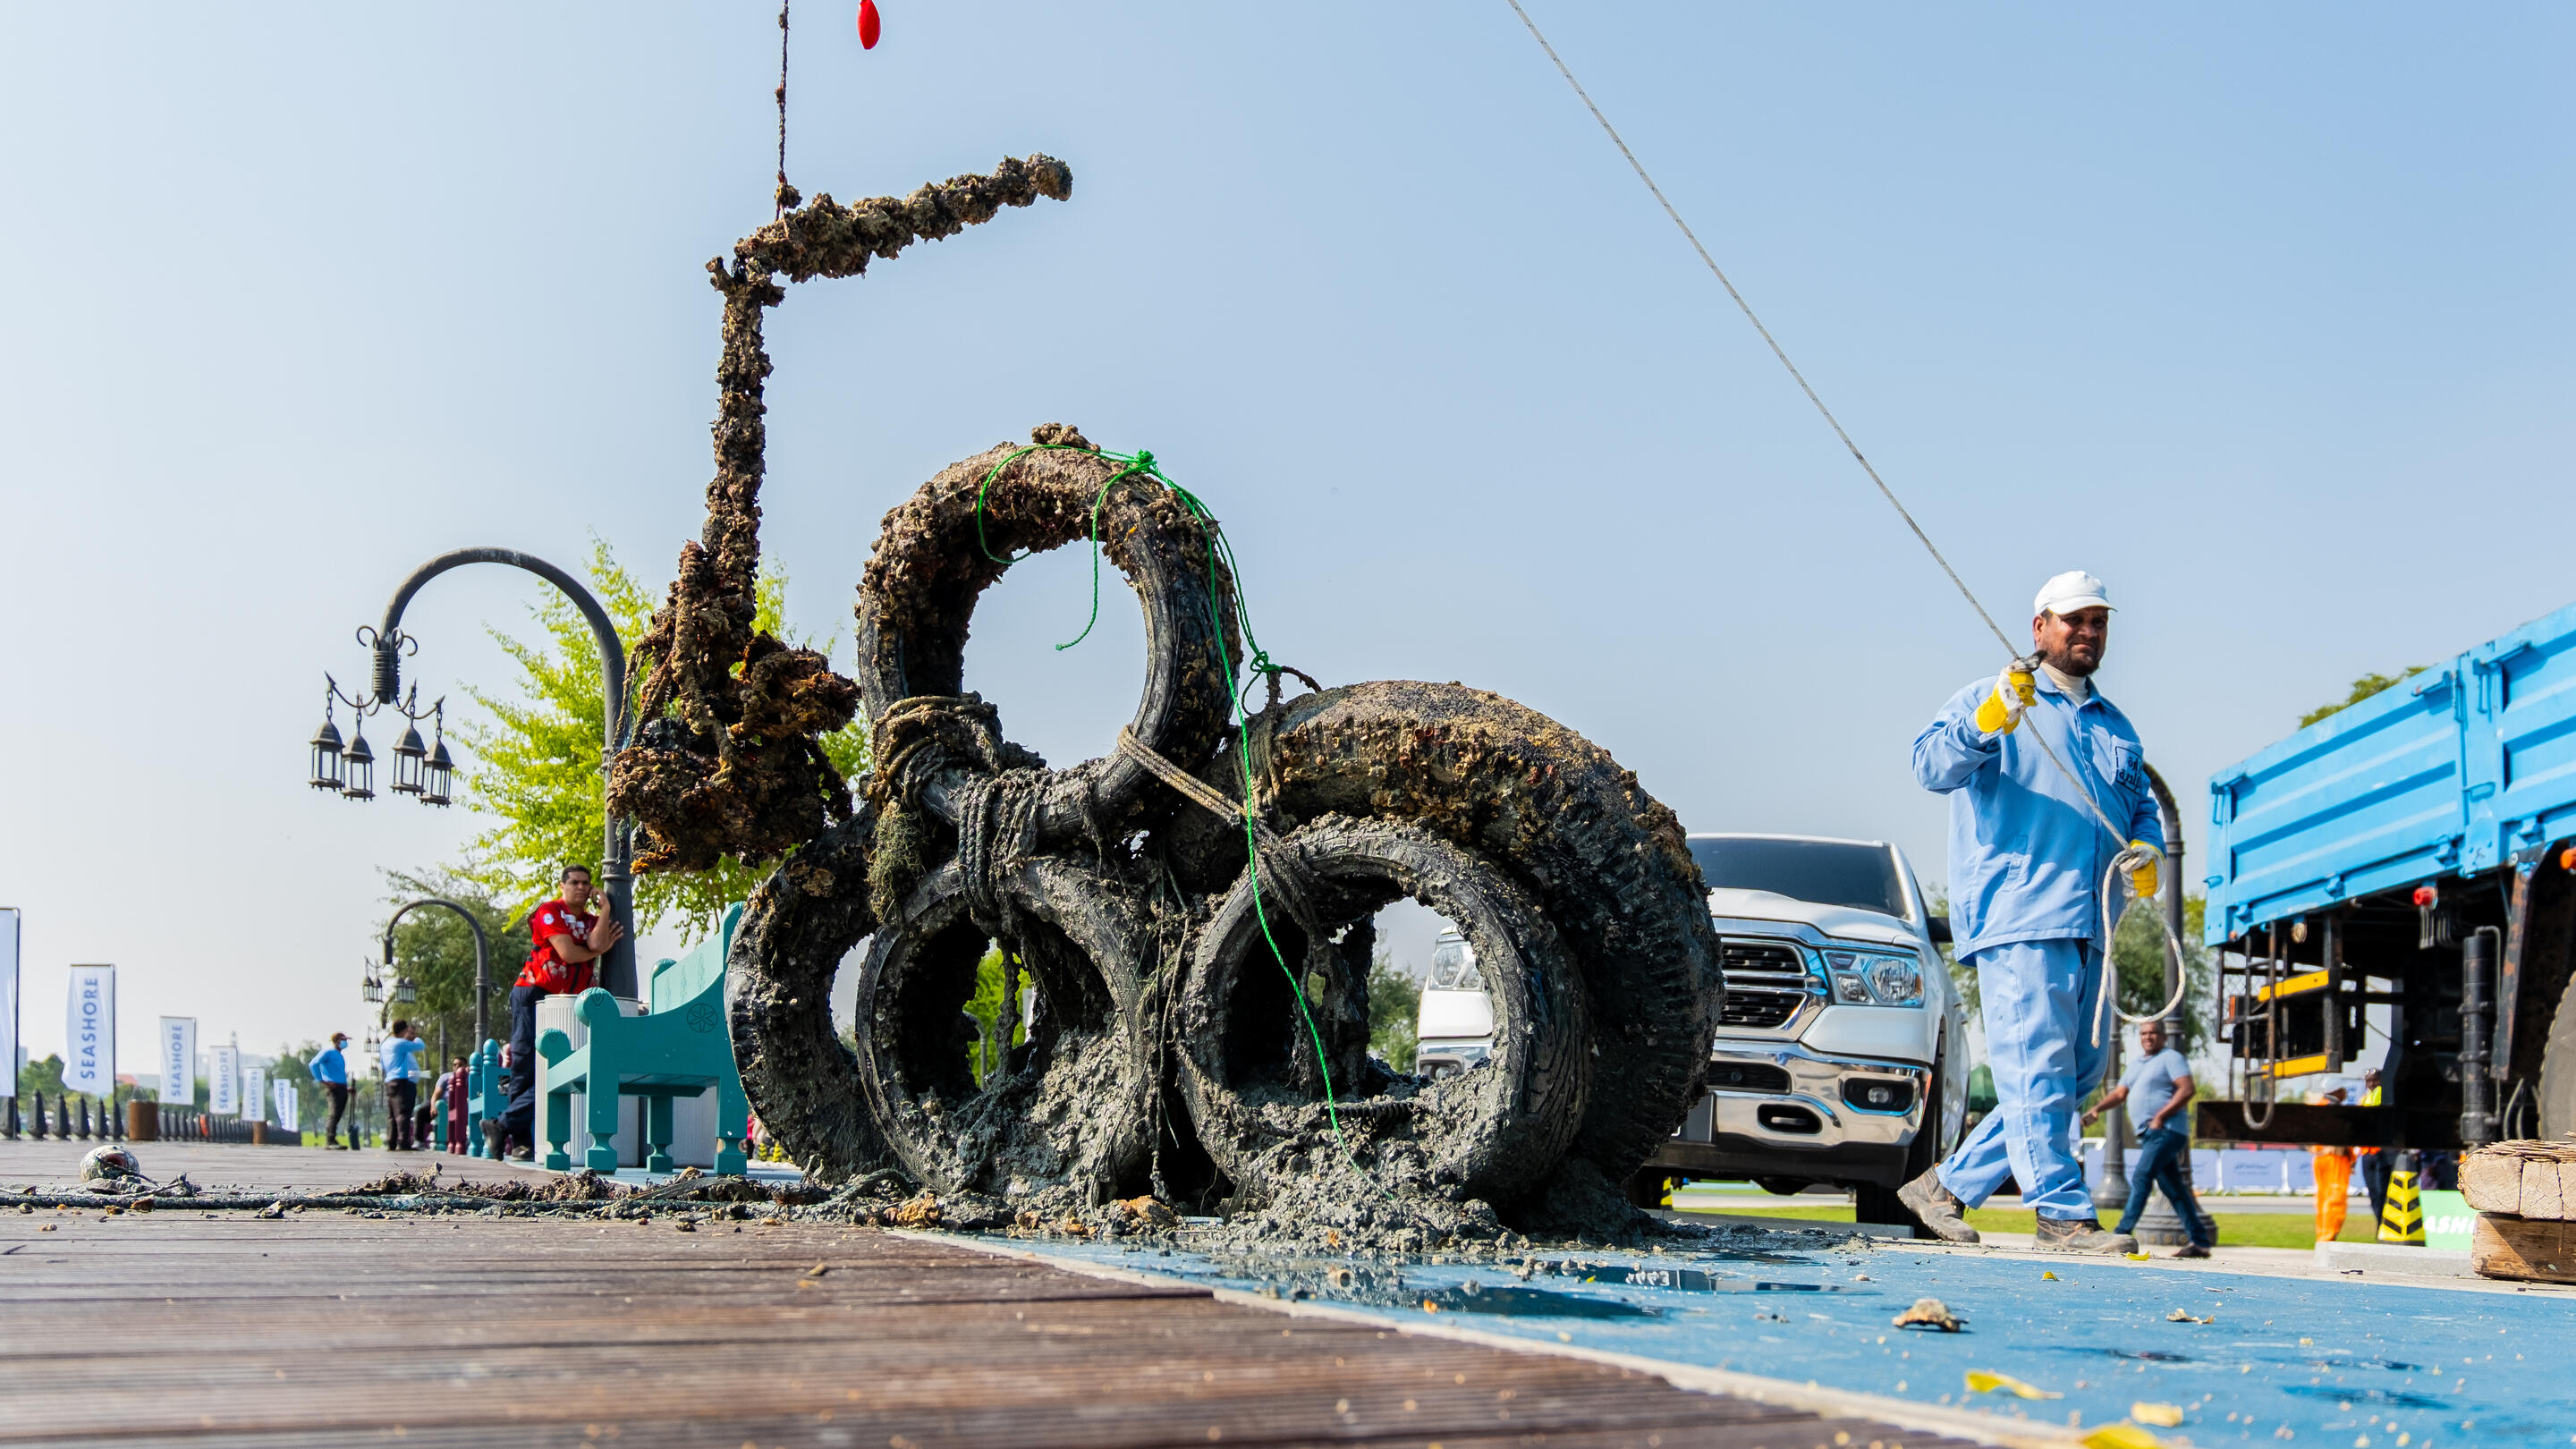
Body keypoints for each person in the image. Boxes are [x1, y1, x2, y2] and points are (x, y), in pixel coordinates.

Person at [1897, 571, 2165, 1254]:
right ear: (2040, 626)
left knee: (2071, 1075)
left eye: (2098, 621)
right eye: (2073, 620)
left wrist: (2148, 846)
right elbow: (1931, 766)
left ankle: (1944, 1189)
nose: (2087, 632)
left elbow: (2140, 806)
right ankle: (2061, 1215)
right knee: (2038, 1068)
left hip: (2092, 919)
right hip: (2022, 910)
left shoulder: (2114, 724)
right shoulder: (1996, 697)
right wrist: (1990, 717)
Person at [2083, 1018, 2214, 1258]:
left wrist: (2161, 1116)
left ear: (2163, 1037)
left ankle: (2121, 1232)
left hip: (2167, 1130)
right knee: (2174, 1189)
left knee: (2142, 1176)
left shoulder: (2170, 1058)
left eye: (2153, 1033)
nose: (2148, 1037)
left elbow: (2187, 1088)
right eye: (2143, 1033)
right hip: (2149, 1133)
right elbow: (2120, 1093)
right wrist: (2097, 1110)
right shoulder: (2135, 1065)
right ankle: (2200, 1242)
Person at [509, 865, 625, 1110]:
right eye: (574, 883)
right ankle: (517, 1136)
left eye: (586, 883)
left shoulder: (592, 921)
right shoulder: (549, 911)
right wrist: (599, 950)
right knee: (525, 1058)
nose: (581, 887)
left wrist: (605, 909)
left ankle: (503, 1125)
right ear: (562, 886)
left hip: (570, 999)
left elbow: (595, 942)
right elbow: (568, 954)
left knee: (563, 1063)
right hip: (533, 992)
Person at [2310, 1085, 2355, 1243]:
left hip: (2320, 1157)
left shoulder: (2318, 1106)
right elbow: (2342, 1135)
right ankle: (2329, 1236)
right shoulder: (2334, 1108)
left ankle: (2322, 1236)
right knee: (2335, 1198)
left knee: (2322, 1199)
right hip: (2335, 1159)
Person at [381, 1021, 426, 1151]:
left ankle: (392, 1141)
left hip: (390, 1079)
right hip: (401, 1079)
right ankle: (403, 1142)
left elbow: (383, 1064)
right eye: (407, 1030)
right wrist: (416, 1037)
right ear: (403, 1030)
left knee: (392, 1114)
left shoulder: (385, 1044)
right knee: (403, 1112)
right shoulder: (399, 1043)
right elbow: (420, 1046)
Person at [310, 1032, 354, 1149]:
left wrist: (346, 1088)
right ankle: (330, 1139)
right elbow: (313, 1064)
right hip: (333, 1088)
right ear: (336, 1041)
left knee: (338, 1114)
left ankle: (332, 1138)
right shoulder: (328, 1052)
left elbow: (338, 1074)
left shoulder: (339, 1056)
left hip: (342, 1088)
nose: (345, 1043)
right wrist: (323, 1081)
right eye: (343, 1040)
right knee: (334, 1114)